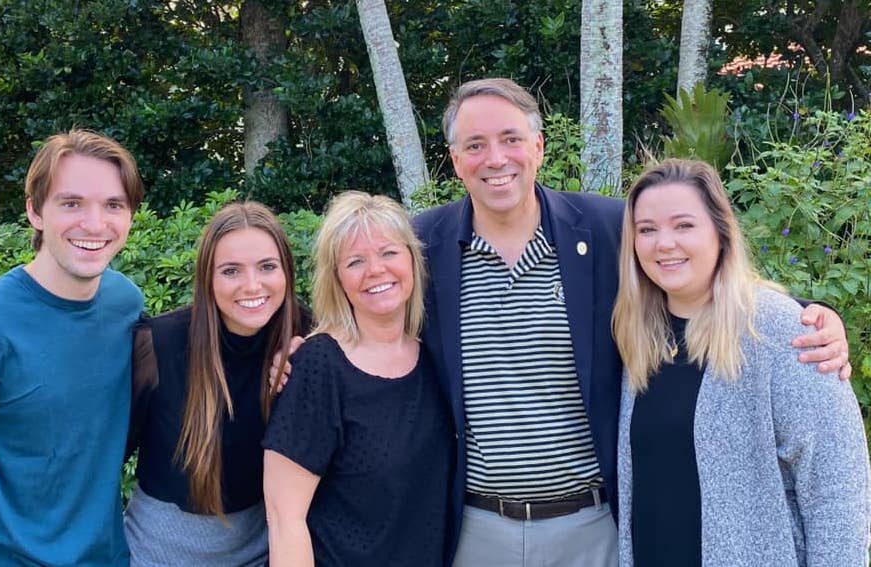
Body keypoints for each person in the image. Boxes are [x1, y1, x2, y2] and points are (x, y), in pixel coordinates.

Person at [411, 78, 852, 566]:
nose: (495, 158)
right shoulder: (422, 245)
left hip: (591, 528)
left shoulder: (604, 227)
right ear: (455, 160)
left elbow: (696, 266)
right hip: (477, 530)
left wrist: (812, 314)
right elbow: (363, 305)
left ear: (537, 146)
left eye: (511, 139)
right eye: (475, 145)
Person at [611, 158, 871, 566]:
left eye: (684, 225)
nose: (664, 243)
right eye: (647, 230)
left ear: (721, 232)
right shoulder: (639, 336)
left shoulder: (782, 332)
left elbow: (837, 487)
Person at [0, 129, 145, 566]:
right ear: (35, 212)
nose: (94, 224)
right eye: (71, 203)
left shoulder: (125, 303)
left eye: (113, 204)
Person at [263, 191, 453, 566]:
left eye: (388, 253)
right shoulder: (319, 366)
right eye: (355, 261)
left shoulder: (435, 358)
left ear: (413, 261)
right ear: (337, 279)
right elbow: (285, 519)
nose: (375, 271)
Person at [124, 201, 305, 565]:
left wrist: (312, 360)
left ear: (287, 271)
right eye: (231, 271)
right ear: (207, 277)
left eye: (267, 266)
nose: (252, 285)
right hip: (158, 554)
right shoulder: (158, 345)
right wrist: (6, 467)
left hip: (263, 551)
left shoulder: (308, 340)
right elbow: (94, 449)